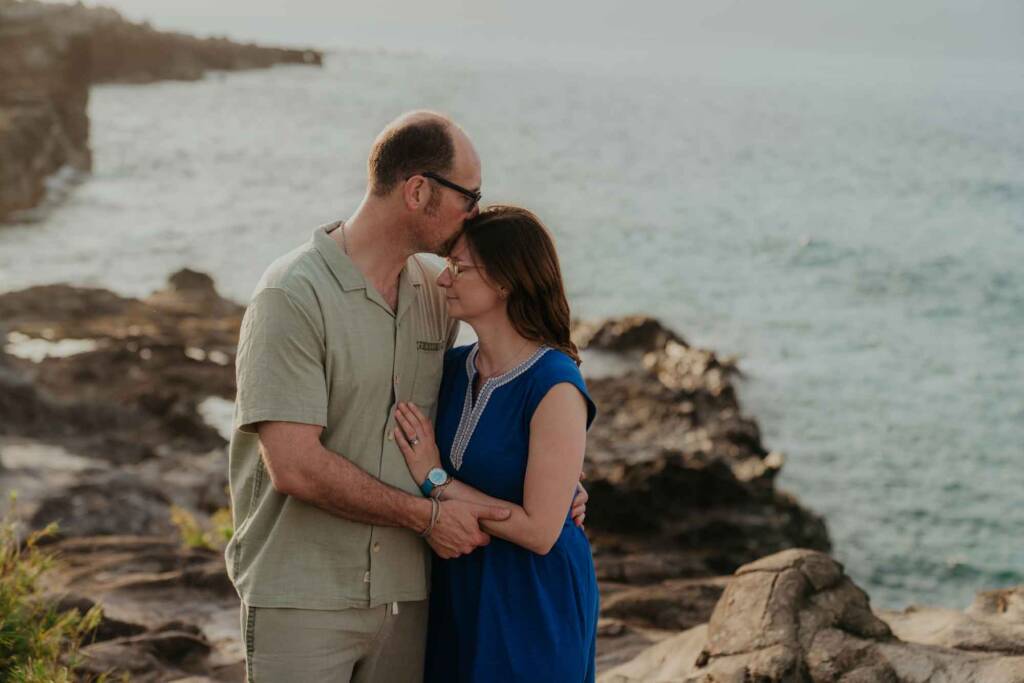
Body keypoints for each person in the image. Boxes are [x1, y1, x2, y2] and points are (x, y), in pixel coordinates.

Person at [224, 111, 590, 682]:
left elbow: (480, 405)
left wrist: (551, 472)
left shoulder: (430, 295)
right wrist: (429, 515)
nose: (475, 211)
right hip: (305, 595)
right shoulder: (291, 296)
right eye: (469, 195)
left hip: (411, 598)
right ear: (418, 190)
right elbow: (294, 466)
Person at [392, 205, 600, 682]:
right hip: (459, 587)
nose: (444, 279)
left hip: (532, 596)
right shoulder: (451, 369)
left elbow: (540, 531)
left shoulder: (555, 384)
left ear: (505, 282)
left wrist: (435, 480)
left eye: (459, 268)